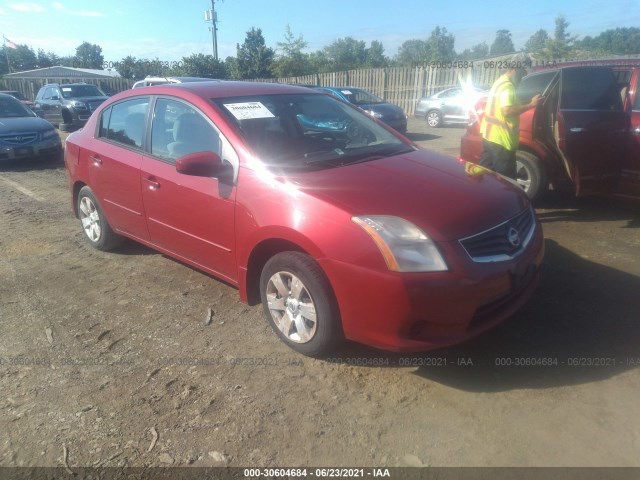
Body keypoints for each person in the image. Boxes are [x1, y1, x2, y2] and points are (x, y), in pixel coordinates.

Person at [479, 53, 543, 179]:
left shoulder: (500, 82)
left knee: (485, 175)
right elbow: (507, 111)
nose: (524, 75)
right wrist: (531, 104)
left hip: (490, 137)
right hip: (501, 141)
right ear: (516, 68)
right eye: (523, 72)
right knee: (507, 182)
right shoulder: (508, 87)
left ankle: (484, 197)